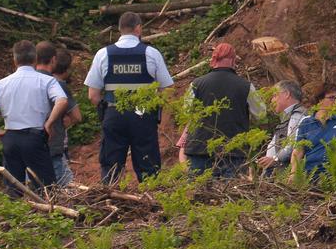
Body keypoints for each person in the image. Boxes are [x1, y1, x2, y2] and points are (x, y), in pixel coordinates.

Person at [85, 12, 175, 184]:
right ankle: (151, 202)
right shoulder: (151, 53)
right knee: (148, 166)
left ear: (119, 30)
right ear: (138, 28)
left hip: (113, 114)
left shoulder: (103, 54)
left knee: (110, 166)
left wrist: (109, 112)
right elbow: (167, 90)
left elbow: (93, 95)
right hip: (143, 115)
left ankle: (109, 202)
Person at [0, 41, 68, 194]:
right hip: (34, 137)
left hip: (11, 138)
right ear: (35, 59)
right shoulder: (46, 81)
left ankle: (15, 215)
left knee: (14, 187)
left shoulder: (1, 84)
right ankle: (48, 214)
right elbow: (62, 100)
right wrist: (49, 122)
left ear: (14, 60)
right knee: (47, 187)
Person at [183, 43, 266, 178]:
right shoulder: (246, 86)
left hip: (199, 149)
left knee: (198, 194)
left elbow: (186, 112)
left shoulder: (196, 84)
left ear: (214, 59)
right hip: (233, 151)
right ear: (233, 60)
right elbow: (261, 114)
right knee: (232, 195)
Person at [289, 84, 336, 181]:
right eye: (331, 98)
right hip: (310, 173)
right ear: (320, 100)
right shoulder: (305, 122)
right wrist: (293, 173)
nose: (335, 101)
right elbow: (298, 150)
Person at [39, 45, 83, 187]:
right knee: (66, 186)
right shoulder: (58, 86)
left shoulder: (35, 81)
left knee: (38, 184)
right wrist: (62, 122)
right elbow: (77, 116)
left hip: (33, 142)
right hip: (54, 143)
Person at [257, 80, 307, 175]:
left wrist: (274, 159)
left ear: (287, 94)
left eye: (275, 95)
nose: (272, 100)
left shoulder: (297, 116)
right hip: (276, 174)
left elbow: (293, 146)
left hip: (284, 175)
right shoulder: (288, 116)